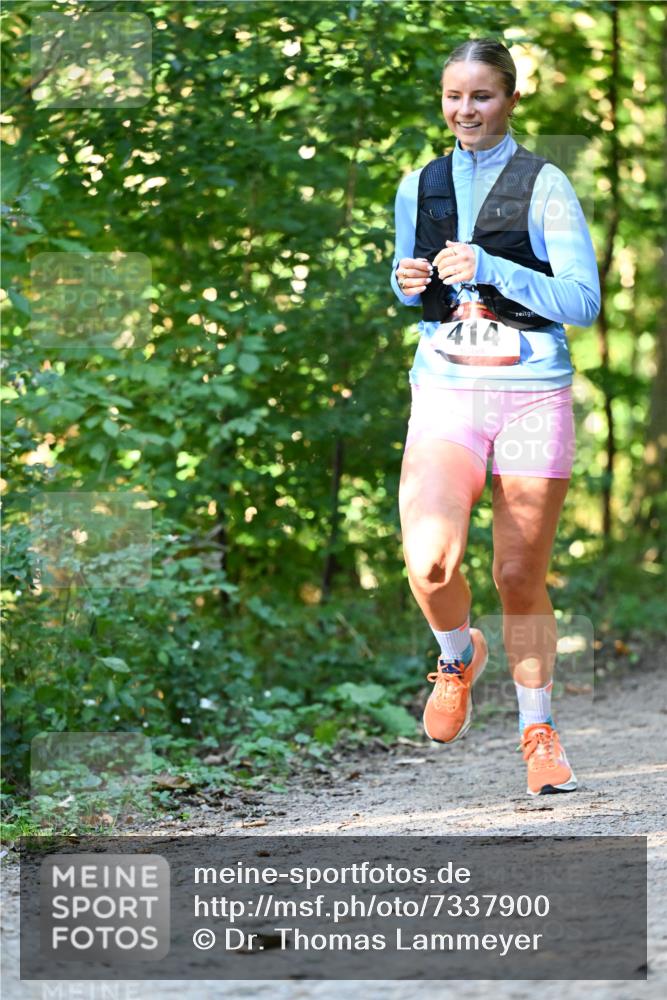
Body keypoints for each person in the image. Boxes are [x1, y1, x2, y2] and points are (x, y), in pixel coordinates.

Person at [391, 38, 600, 796]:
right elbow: (409, 288)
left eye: (481, 95)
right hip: (446, 388)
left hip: (531, 390)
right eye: (454, 96)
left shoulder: (544, 184)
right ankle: (457, 655)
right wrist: (407, 281)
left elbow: (582, 300)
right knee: (429, 560)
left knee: (517, 574)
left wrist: (493, 267)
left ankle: (537, 732)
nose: (465, 110)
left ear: (511, 99)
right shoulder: (419, 184)